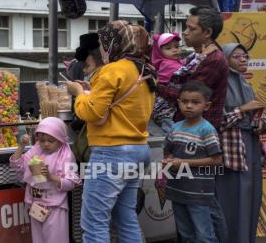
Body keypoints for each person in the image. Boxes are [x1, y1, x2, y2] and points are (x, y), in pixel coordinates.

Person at [67, 20, 156, 243]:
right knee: (125, 217)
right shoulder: (144, 68)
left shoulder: (113, 70)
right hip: (138, 150)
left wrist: (79, 93)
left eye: (103, 44)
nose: (103, 49)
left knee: (94, 222)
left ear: (111, 43)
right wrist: (91, 93)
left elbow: (91, 114)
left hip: (112, 153)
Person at [215, 43, 266, 243]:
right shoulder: (222, 84)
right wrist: (245, 109)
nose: (244, 59)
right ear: (226, 58)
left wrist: (259, 122)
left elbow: (251, 117)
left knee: (250, 195)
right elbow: (217, 120)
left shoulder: (246, 84)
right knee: (232, 198)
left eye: (245, 56)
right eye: (237, 56)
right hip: (232, 149)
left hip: (250, 145)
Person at [163, 81, 223, 243]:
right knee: (185, 234)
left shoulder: (207, 130)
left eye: (195, 102)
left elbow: (217, 160)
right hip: (178, 189)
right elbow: (168, 152)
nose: (189, 106)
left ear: (207, 106)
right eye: (184, 101)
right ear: (179, 102)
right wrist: (168, 161)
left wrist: (183, 162)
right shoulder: (175, 128)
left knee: (204, 235)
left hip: (199, 192)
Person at [157, 6, 229, 131]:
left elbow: (187, 95)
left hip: (198, 133)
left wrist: (155, 85)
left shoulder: (213, 59)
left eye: (191, 28)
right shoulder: (197, 55)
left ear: (207, 33)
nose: (185, 32)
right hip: (186, 126)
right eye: (186, 27)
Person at [10, 117, 81, 243]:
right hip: (36, 204)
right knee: (38, 239)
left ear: (60, 139)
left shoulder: (66, 156)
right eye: (42, 140)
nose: (46, 144)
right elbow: (17, 165)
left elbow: (71, 183)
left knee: (56, 239)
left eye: (51, 141)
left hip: (55, 206)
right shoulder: (36, 150)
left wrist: (50, 177)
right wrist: (21, 146)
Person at [151, 32, 185, 133]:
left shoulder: (175, 61)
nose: (174, 50)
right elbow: (185, 70)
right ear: (159, 51)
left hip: (169, 106)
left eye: (176, 46)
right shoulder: (166, 64)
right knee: (171, 132)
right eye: (168, 48)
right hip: (165, 107)